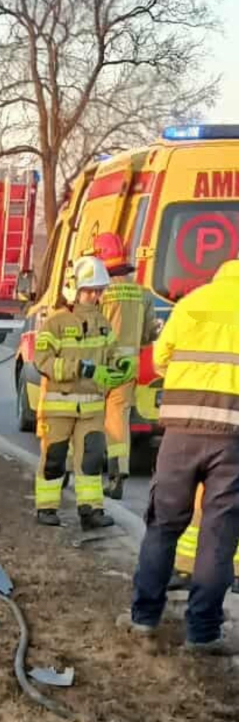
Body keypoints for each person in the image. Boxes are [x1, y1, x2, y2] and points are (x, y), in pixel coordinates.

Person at [123, 260, 239, 654]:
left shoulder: (192, 303)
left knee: (163, 524)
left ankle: (144, 618)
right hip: (233, 438)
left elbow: (159, 361)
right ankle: (203, 632)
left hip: (181, 432)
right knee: (218, 535)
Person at [30, 255, 133, 529]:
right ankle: (47, 508)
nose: (95, 296)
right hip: (59, 407)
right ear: (75, 289)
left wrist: (121, 363)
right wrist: (81, 369)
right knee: (54, 458)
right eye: (90, 290)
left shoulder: (102, 323)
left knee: (91, 459)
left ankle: (91, 510)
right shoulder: (56, 322)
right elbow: (42, 361)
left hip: (91, 409)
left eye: (98, 291)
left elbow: (111, 353)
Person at [90, 232, 156, 499]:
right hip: (128, 367)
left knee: (85, 417)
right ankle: (119, 472)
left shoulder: (100, 293)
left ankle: (76, 472)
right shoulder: (142, 293)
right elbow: (149, 333)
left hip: (99, 365)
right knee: (118, 421)